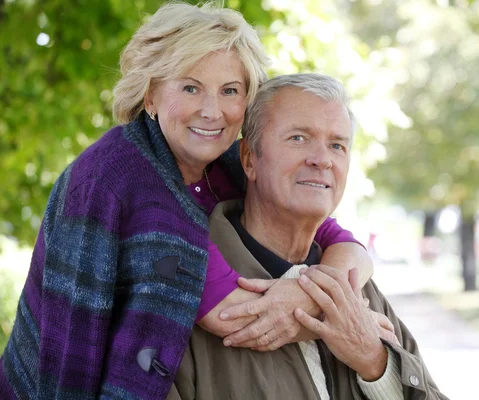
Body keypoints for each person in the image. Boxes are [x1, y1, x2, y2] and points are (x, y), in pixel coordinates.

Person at [0, 5, 373, 400]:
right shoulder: (123, 179)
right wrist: (342, 316)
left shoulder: (228, 163)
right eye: (190, 87)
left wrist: (317, 290)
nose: (211, 111)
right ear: (151, 95)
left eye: (230, 90)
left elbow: (340, 241)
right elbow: (236, 317)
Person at [169, 74, 449, 400]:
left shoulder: (359, 286)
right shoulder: (188, 289)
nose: (322, 159)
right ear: (248, 158)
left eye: (337, 145)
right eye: (299, 138)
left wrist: (374, 362)